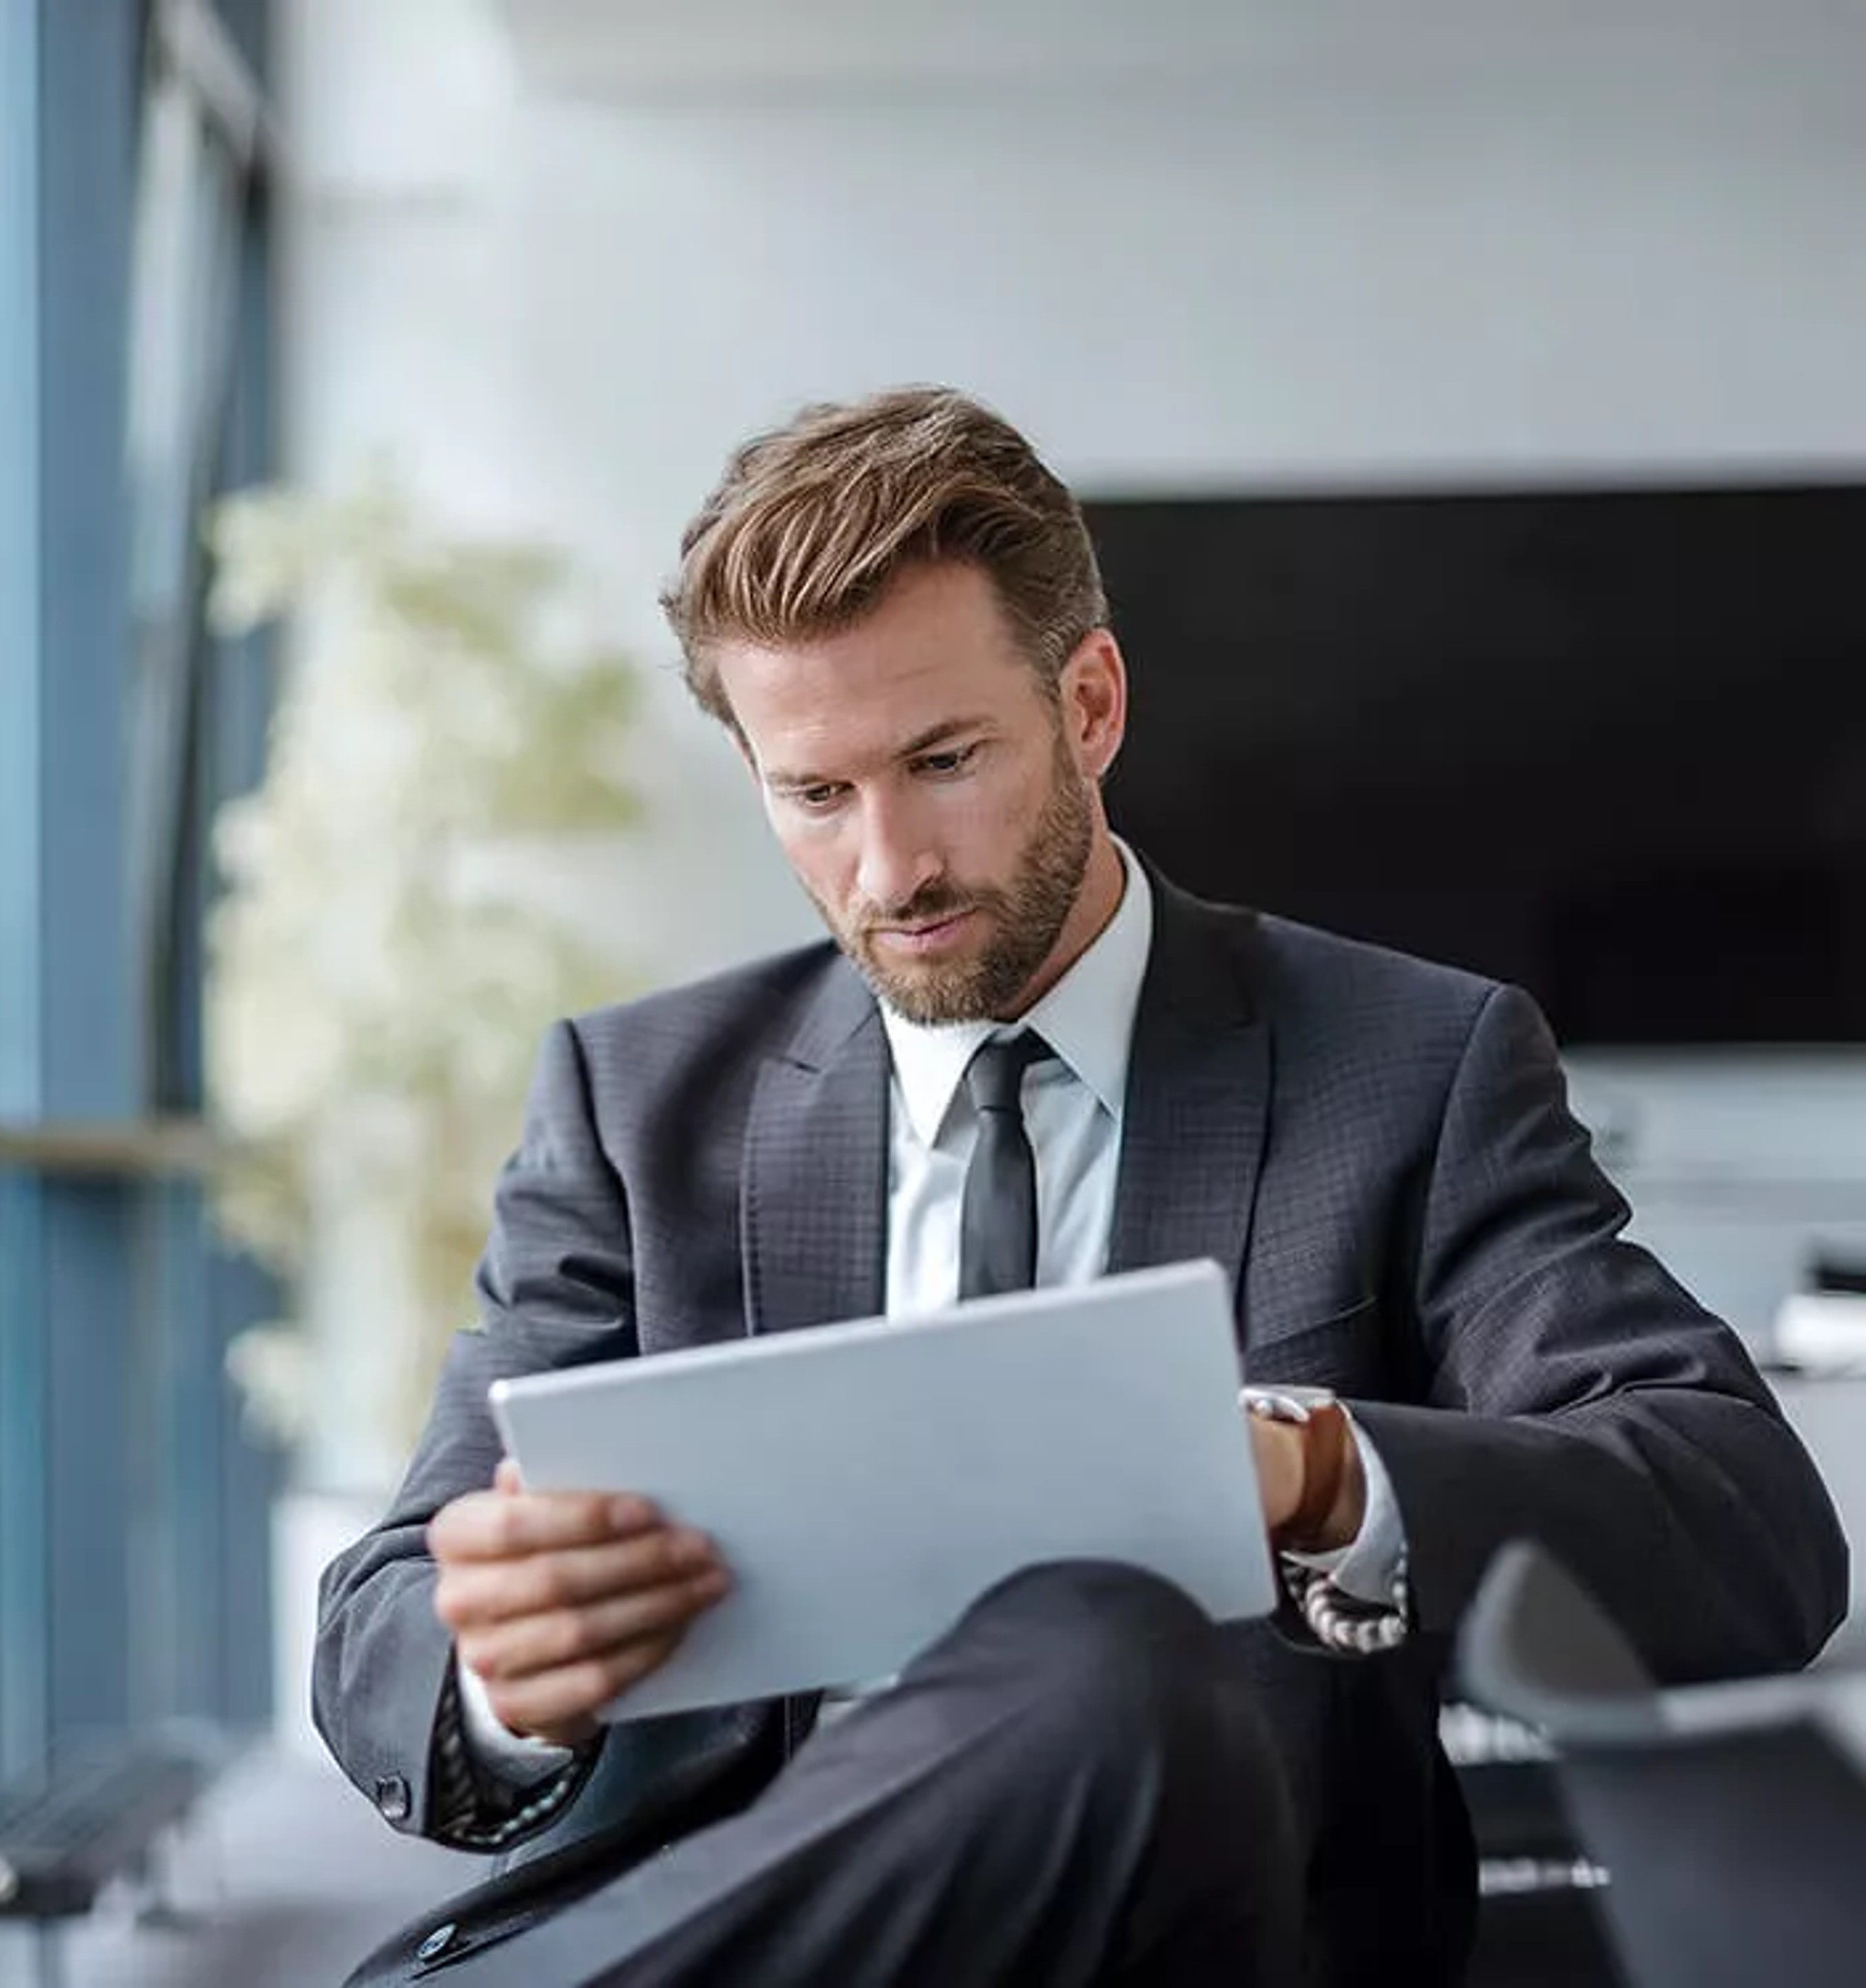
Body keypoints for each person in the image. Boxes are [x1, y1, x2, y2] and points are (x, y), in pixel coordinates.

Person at [311, 386, 1848, 1987]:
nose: (889, 869)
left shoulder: (1407, 1069)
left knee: (1110, 1648)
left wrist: (1317, 1479)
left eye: (945, 760)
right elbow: (380, 1642)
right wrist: (509, 1670)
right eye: (815, 796)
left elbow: (1751, 1536)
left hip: (1174, 1926)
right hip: (740, 1921)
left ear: (1093, 703)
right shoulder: (639, 1110)